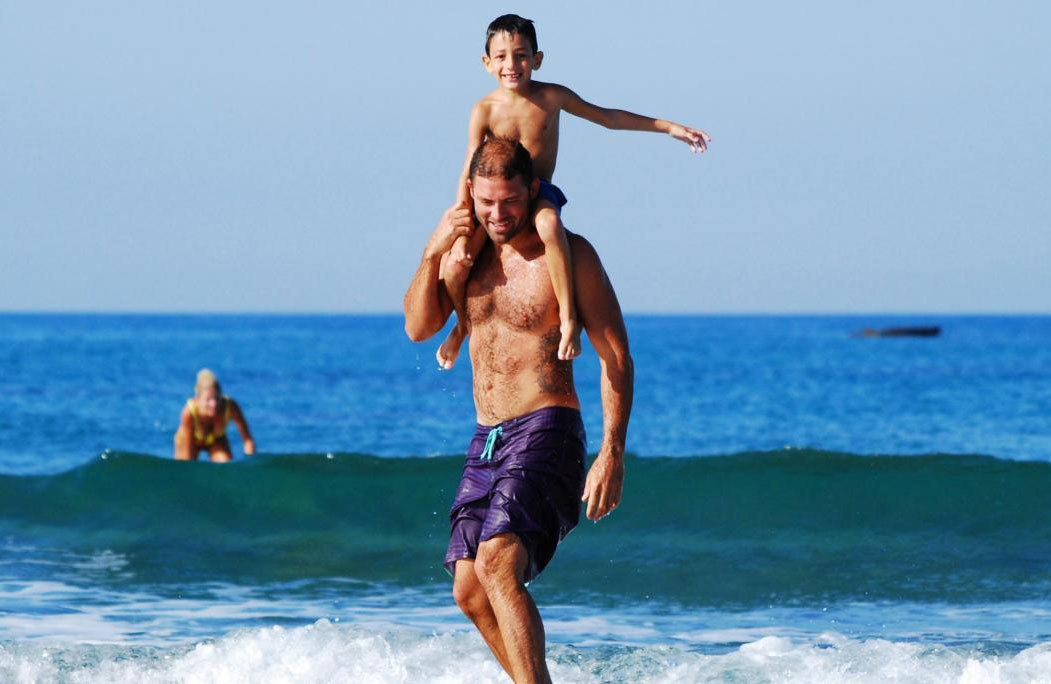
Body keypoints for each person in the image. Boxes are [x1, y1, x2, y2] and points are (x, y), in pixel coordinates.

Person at [404, 138, 634, 683]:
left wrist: (612, 453)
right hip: (487, 437)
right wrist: (433, 252)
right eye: (486, 202)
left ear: (532, 191)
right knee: (468, 589)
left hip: (547, 425)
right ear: (470, 193)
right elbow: (418, 326)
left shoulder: (569, 257)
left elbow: (616, 357)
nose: (498, 214)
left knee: (497, 563)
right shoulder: (469, 255)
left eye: (509, 201)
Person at [436, 13, 709, 370]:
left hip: (538, 193)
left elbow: (609, 118)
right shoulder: (483, 110)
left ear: (537, 59)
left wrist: (669, 127)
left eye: (520, 55)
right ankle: (462, 326)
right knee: (455, 263)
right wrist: (462, 221)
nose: (511, 65)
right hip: (498, 199)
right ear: (487, 63)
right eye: (501, 56)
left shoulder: (552, 96)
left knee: (549, 226)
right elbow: (470, 166)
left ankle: (568, 319)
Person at [173, 369, 255, 463]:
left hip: (216, 440)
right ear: (197, 399)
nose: (214, 404)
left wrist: (250, 463)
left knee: (225, 464)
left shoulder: (230, 407)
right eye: (208, 400)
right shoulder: (189, 413)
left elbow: (248, 440)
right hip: (191, 440)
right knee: (186, 463)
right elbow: (187, 458)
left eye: (216, 398)